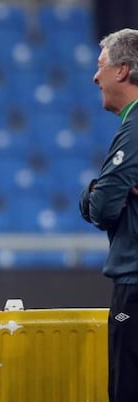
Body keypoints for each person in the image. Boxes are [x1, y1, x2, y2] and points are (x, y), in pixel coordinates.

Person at [79, 28, 138, 402]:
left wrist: (90, 192)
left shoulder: (134, 129)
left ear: (122, 70)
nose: (94, 76)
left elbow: (100, 209)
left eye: (100, 66)